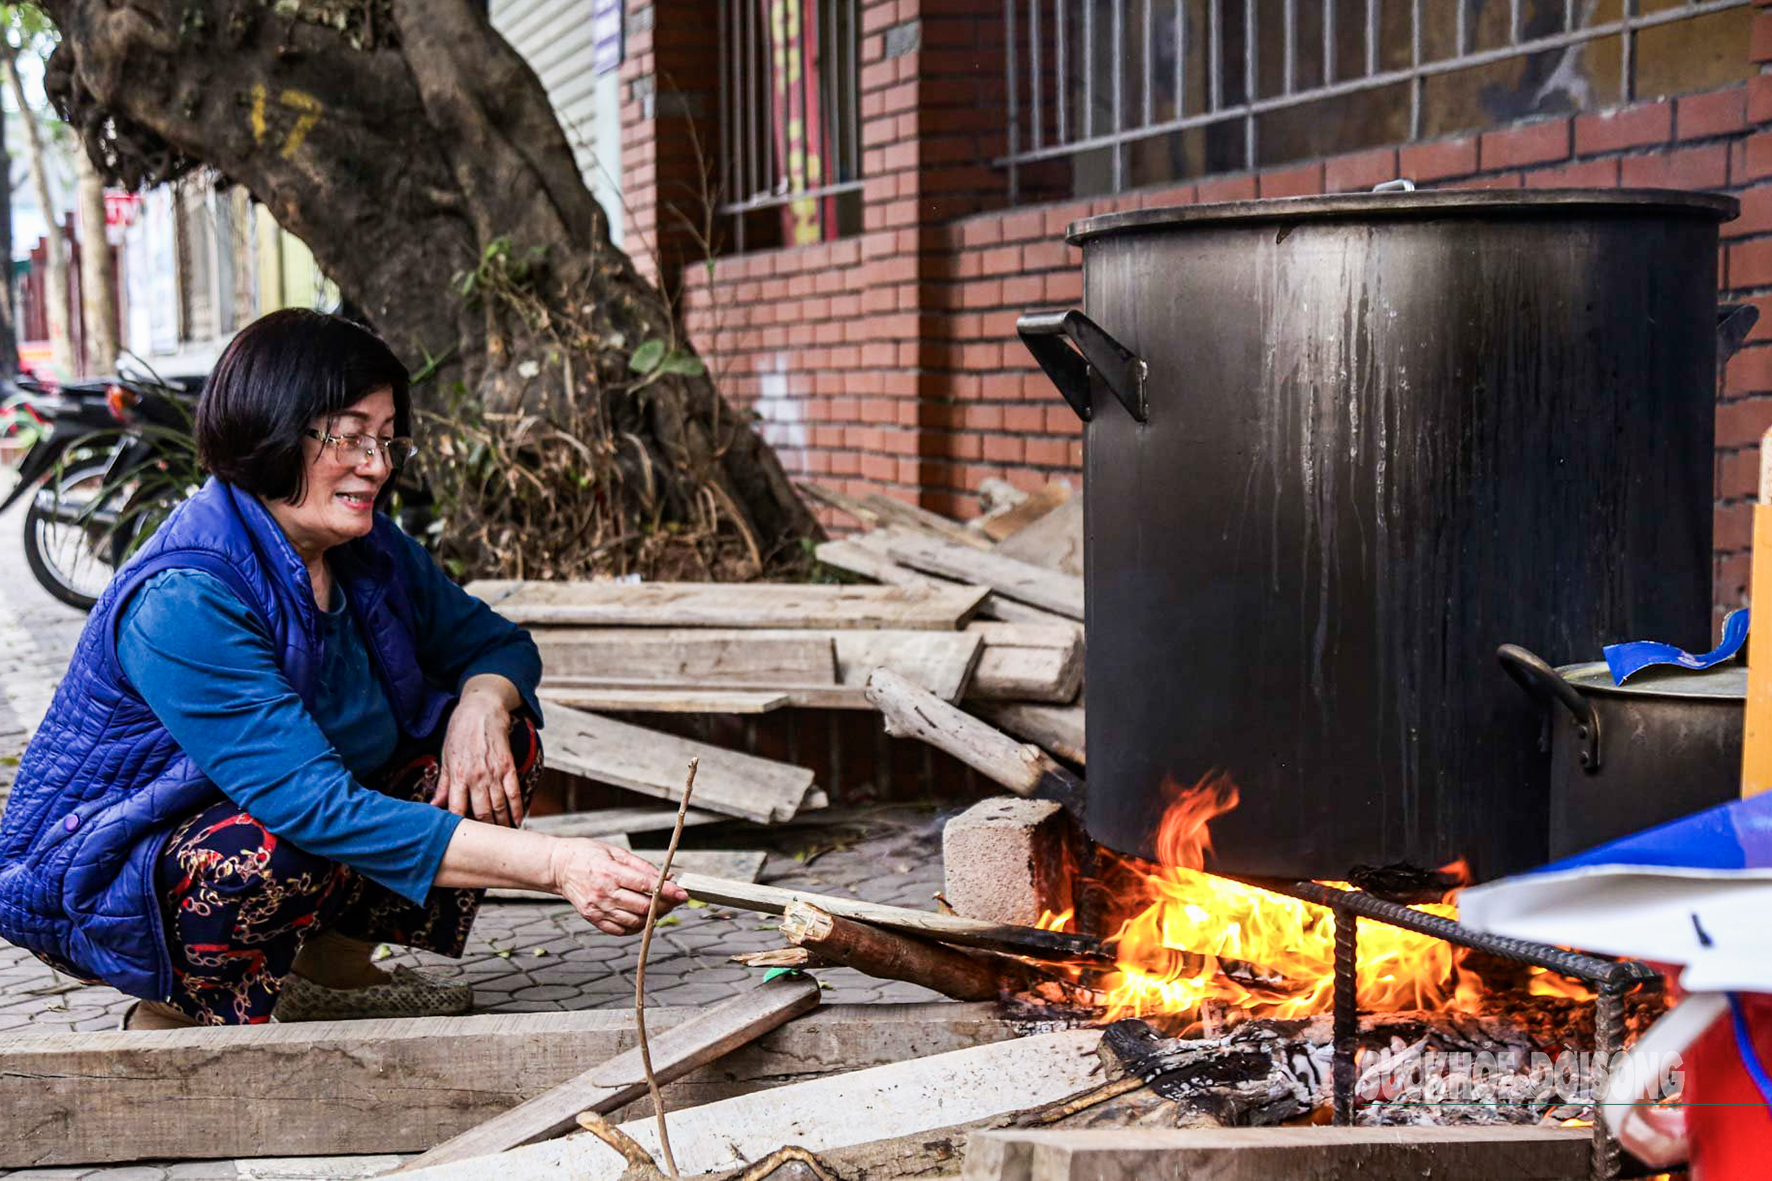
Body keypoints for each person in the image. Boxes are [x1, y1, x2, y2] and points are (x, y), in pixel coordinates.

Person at [0, 309, 685, 1028]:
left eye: (387, 440)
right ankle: (177, 1014)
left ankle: (333, 973)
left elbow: (497, 643)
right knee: (273, 843)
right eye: (351, 437)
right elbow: (314, 807)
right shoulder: (186, 597)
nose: (378, 465)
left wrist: (481, 706)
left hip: (289, 813)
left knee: (501, 743)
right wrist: (558, 864)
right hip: (102, 874)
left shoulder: (365, 546)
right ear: (273, 429)